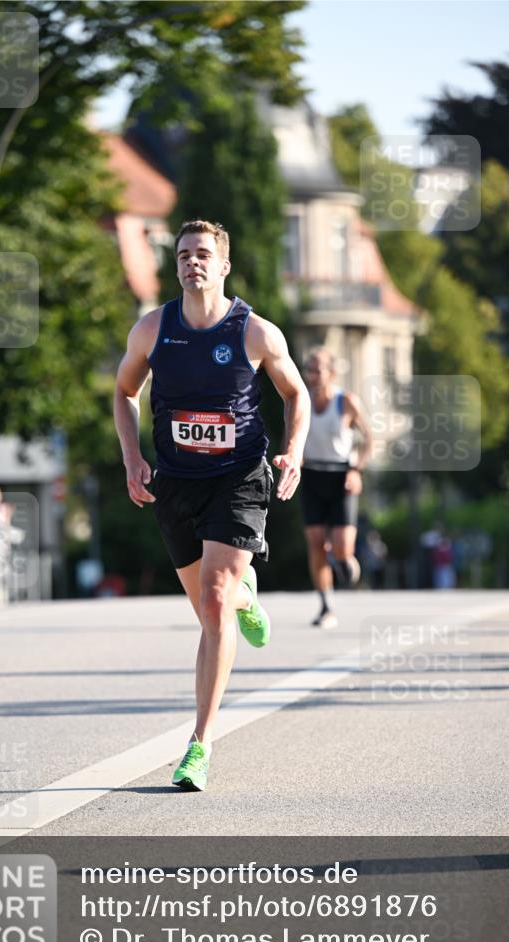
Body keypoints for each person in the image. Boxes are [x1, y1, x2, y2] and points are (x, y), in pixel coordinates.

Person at [114, 219, 310, 791]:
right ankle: (244, 594)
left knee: (215, 598)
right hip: (175, 480)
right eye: (182, 255)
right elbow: (125, 392)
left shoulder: (256, 333)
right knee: (208, 610)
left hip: (240, 476)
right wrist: (132, 458)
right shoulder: (153, 329)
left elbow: (295, 394)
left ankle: (199, 744)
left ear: (223, 265)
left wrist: (294, 452)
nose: (191, 262)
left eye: (202, 254)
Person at [300, 348, 372, 628]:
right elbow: (290, 436)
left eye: (318, 369)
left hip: (341, 476)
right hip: (311, 474)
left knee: (341, 550)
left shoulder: (346, 401)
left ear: (331, 372)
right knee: (316, 543)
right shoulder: (300, 400)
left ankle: (345, 560)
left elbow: (369, 439)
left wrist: (356, 470)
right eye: (310, 369)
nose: (313, 375)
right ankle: (326, 606)